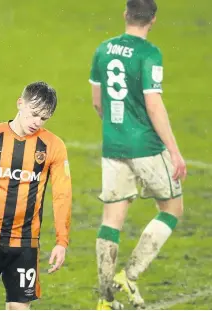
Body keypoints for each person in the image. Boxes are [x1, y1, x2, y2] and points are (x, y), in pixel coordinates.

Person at [89, 0, 187, 309]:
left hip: (113, 145)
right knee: (172, 208)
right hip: (145, 146)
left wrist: (118, 127)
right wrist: (174, 150)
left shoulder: (103, 50)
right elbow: (154, 105)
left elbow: (97, 102)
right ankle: (129, 276)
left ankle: (105, 299)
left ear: (125, 15)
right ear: (153, 20)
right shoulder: (149, 54)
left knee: (112, 220)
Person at [0, 81, 72, 310]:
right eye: (33, 114)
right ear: (20, 104)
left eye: (44, 118)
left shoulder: (53, 146)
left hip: (24, 244)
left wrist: (61, 241)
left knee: (18, 308)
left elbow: (62, 195)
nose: (36, 122)